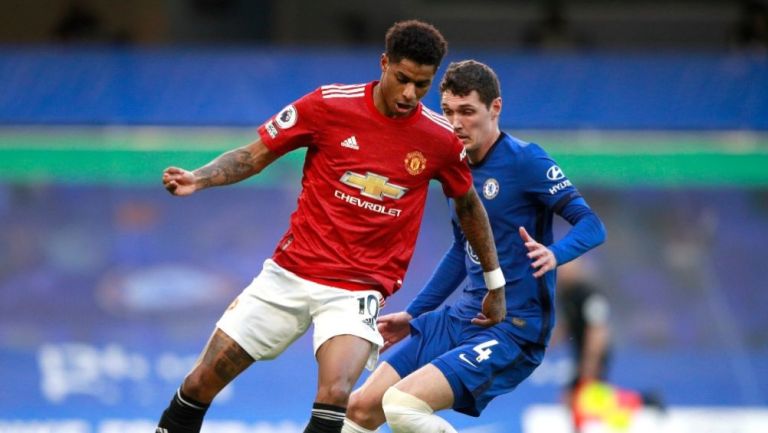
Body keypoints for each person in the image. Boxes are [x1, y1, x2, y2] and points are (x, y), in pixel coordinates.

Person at [155, 21, 507, 433]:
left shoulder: (439, 139)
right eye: (403, 79)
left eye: (422, 85)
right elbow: (254, 155)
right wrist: (200, 178)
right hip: (289, 275)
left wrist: (494, 283)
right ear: (384, 64)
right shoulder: (328, 105)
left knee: (336, 393)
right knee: (201, 381)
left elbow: (469, 205)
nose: (410, 94)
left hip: (357, 289)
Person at [342, 60, 606, 433]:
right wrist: (416, 313)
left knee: (402, 405)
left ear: (495, 108)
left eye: (467, 112)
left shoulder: (526, 160)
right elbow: (461, 250)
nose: (455, 123)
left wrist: (554, 254)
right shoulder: (455, 166)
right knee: (360, 408)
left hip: (513, 328)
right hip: (463, 315)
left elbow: (592, 225)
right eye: (448, 111)